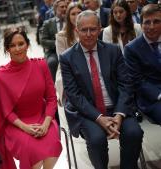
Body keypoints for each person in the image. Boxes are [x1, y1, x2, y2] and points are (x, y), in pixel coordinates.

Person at [60, 10, 143, 169]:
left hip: (116, 108)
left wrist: (119, 115)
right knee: (97, 140)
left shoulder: (113, 51)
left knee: (134, 133)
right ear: (77, 31)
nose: (89, 34)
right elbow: (74, 96)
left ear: (100, 29)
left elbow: (126, 84)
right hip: (88, 112)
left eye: (93, 29)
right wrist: (99, 118)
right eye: (84, 30)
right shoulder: (67, 58)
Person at [0, 27, 62, 169]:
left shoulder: (41, 65)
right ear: (7, 49)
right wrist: (25, 127)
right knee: (32, 152)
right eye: (12, 45)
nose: (18, 48)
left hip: (43, 118)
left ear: (28, 44)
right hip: (17, 124)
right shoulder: (2, 75)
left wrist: (45, 124)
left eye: (21, 43)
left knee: (53, 143)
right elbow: (6, 112)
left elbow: (51, 98)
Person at [124, 4, 161, 124]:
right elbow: (137, 81)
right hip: (151, 99)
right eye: (147, 22)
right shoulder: (132, 49)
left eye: (156, 21)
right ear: (141, 25)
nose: (151, 26)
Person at [40, 0, 67, 83]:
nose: (65, 9)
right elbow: (43, 41)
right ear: (55, 9)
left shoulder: (71, 21)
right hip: (53, 52)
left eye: (66, 6)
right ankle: (53, 86)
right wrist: (58, 43)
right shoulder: (48, 23)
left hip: (70, 49)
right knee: (52, 62)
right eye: (62, 7)